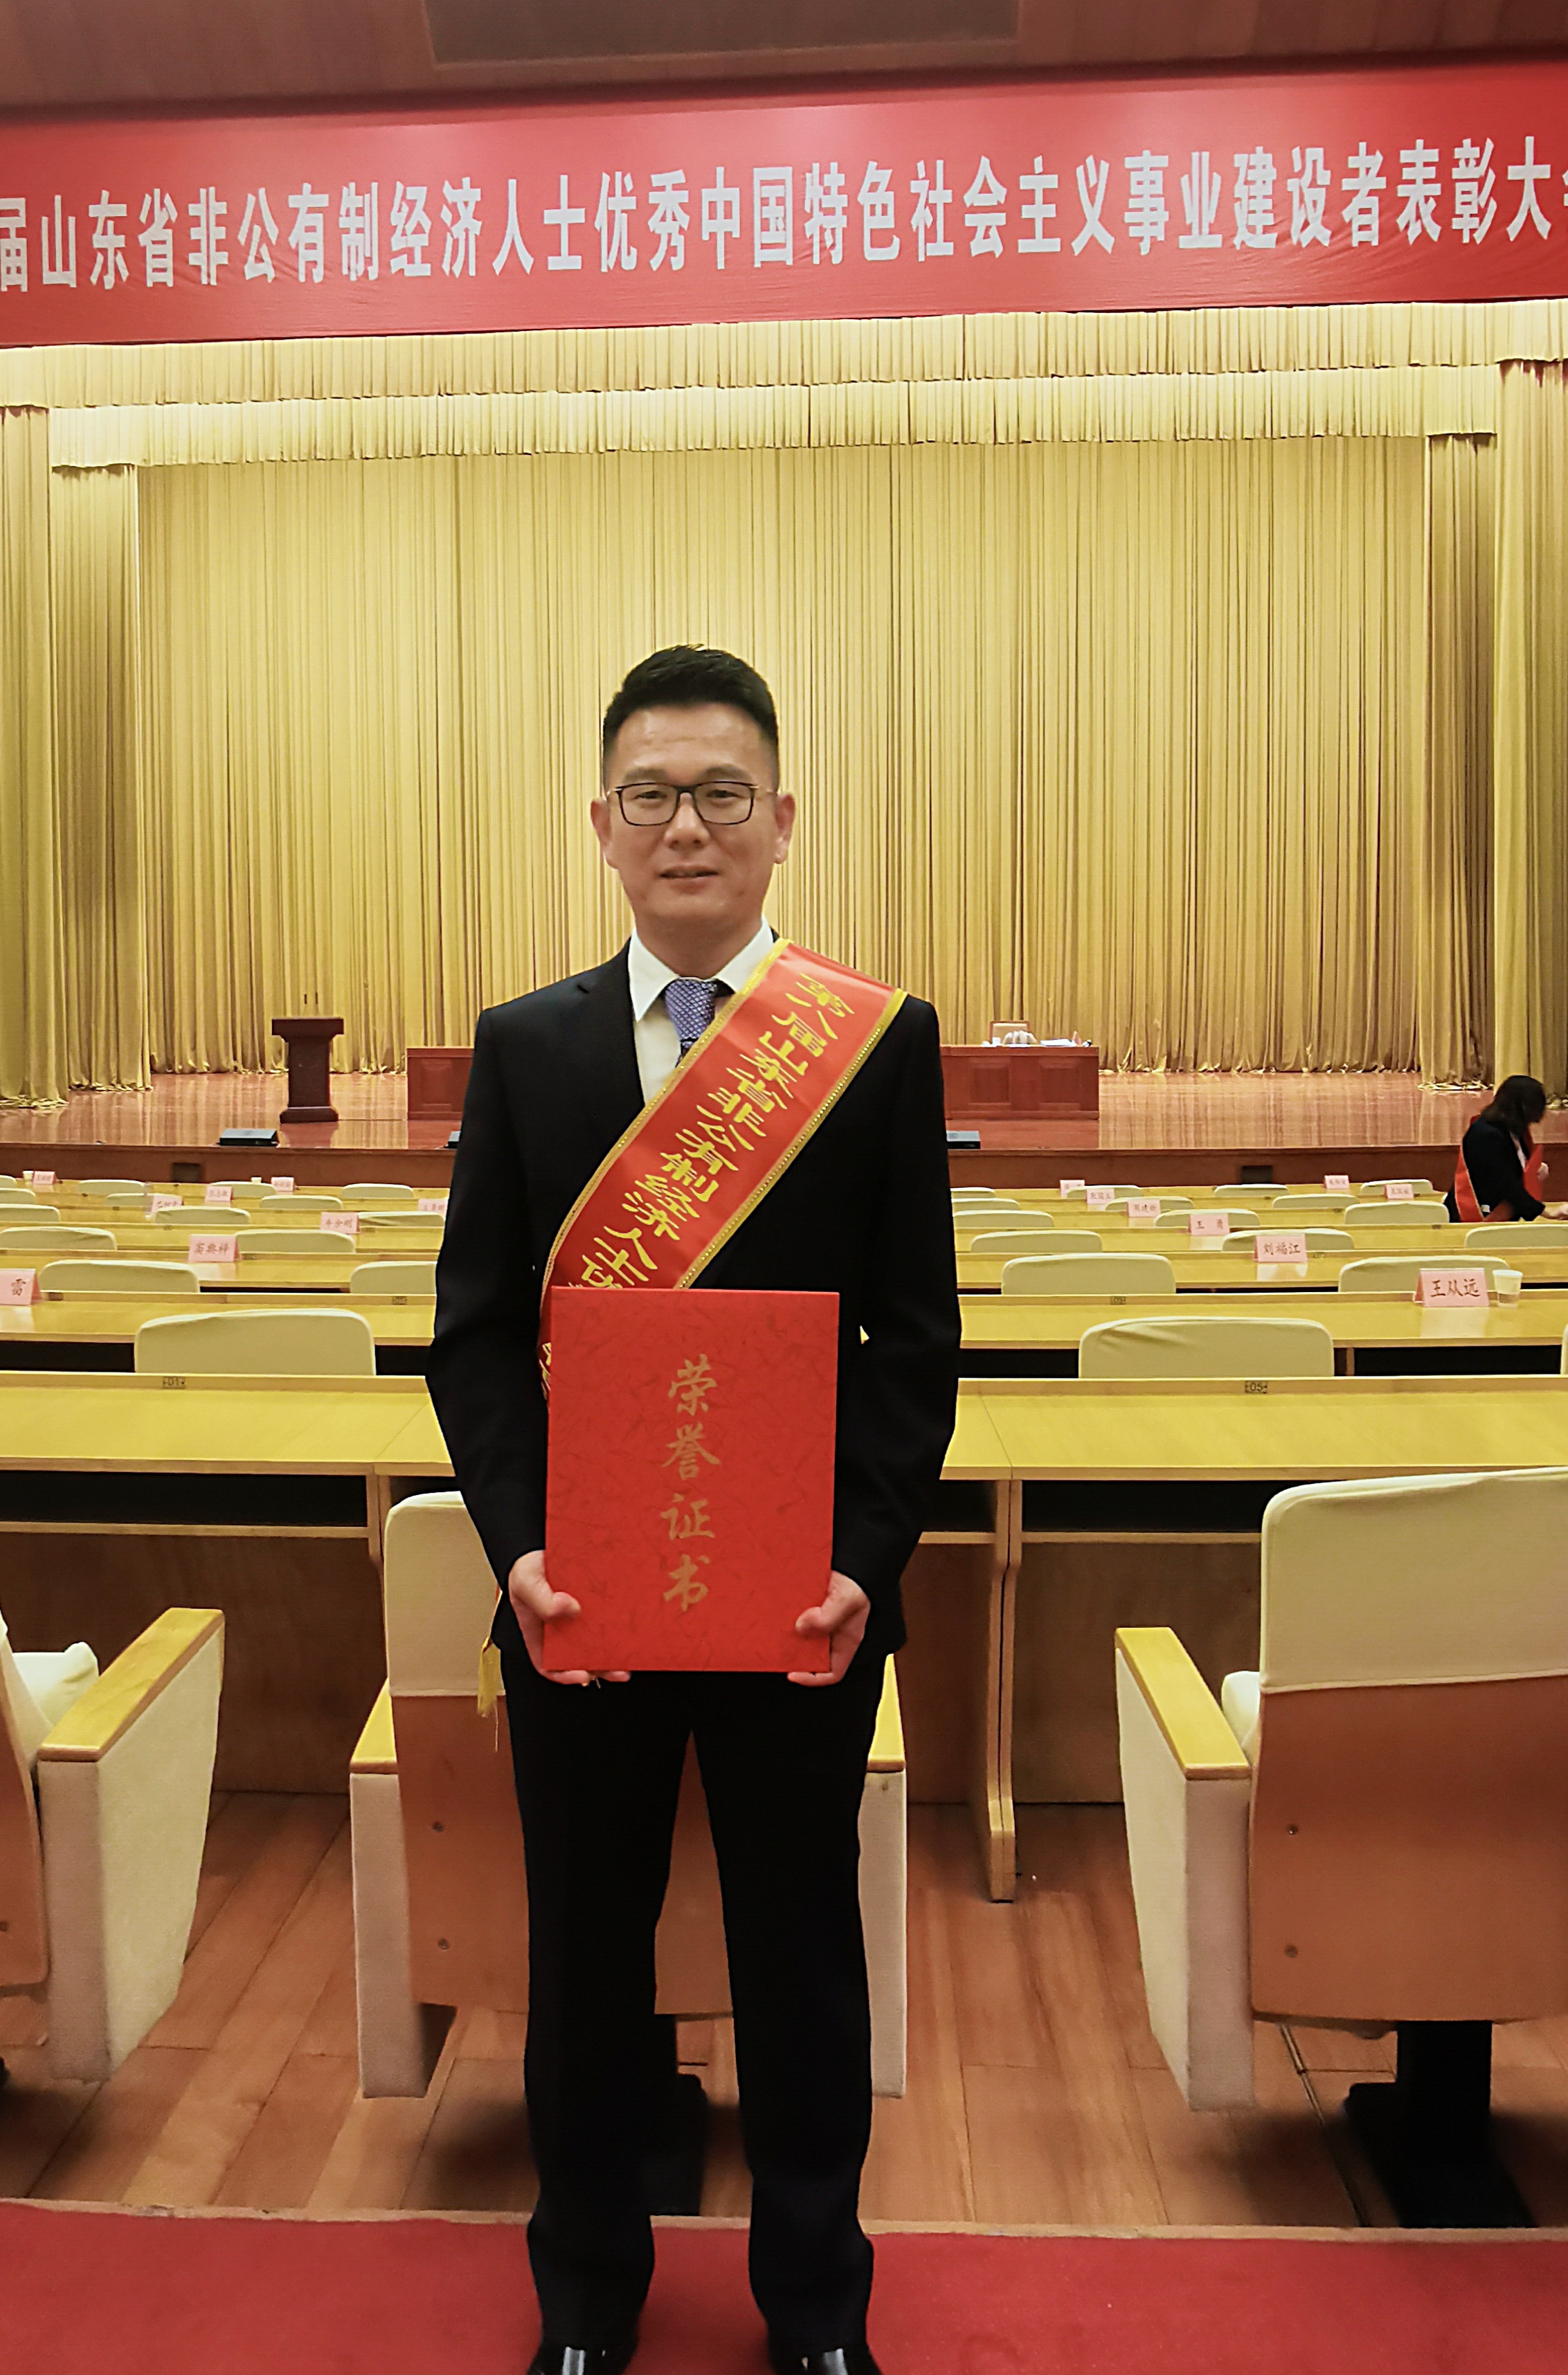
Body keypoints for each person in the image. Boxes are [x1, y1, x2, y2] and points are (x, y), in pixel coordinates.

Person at [427, 645, 961, 2375]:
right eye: (650, 795)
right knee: (582, 1965)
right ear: (600, 823)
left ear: (779, 819)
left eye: (720, 794)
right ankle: (585, 2298)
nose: (685, 828)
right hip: (581, 1598)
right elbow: (474, 1333)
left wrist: (858, 1562)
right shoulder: (525, 1047)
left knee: (800, 1960)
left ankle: (814, 2310)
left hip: (796, 1607)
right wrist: (521, 1548)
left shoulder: (870, 1044)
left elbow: (912, 1340)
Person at [1444, 1075, 1568, 1224]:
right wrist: (1546, 1212)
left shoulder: (1511, 1128)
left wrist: (1534, 1169)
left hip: (1502, 1211)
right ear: (1524, 1107)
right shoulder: (1485, 1134)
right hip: (1478, 1213)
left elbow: (1510, 1165)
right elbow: (1504, 1182)